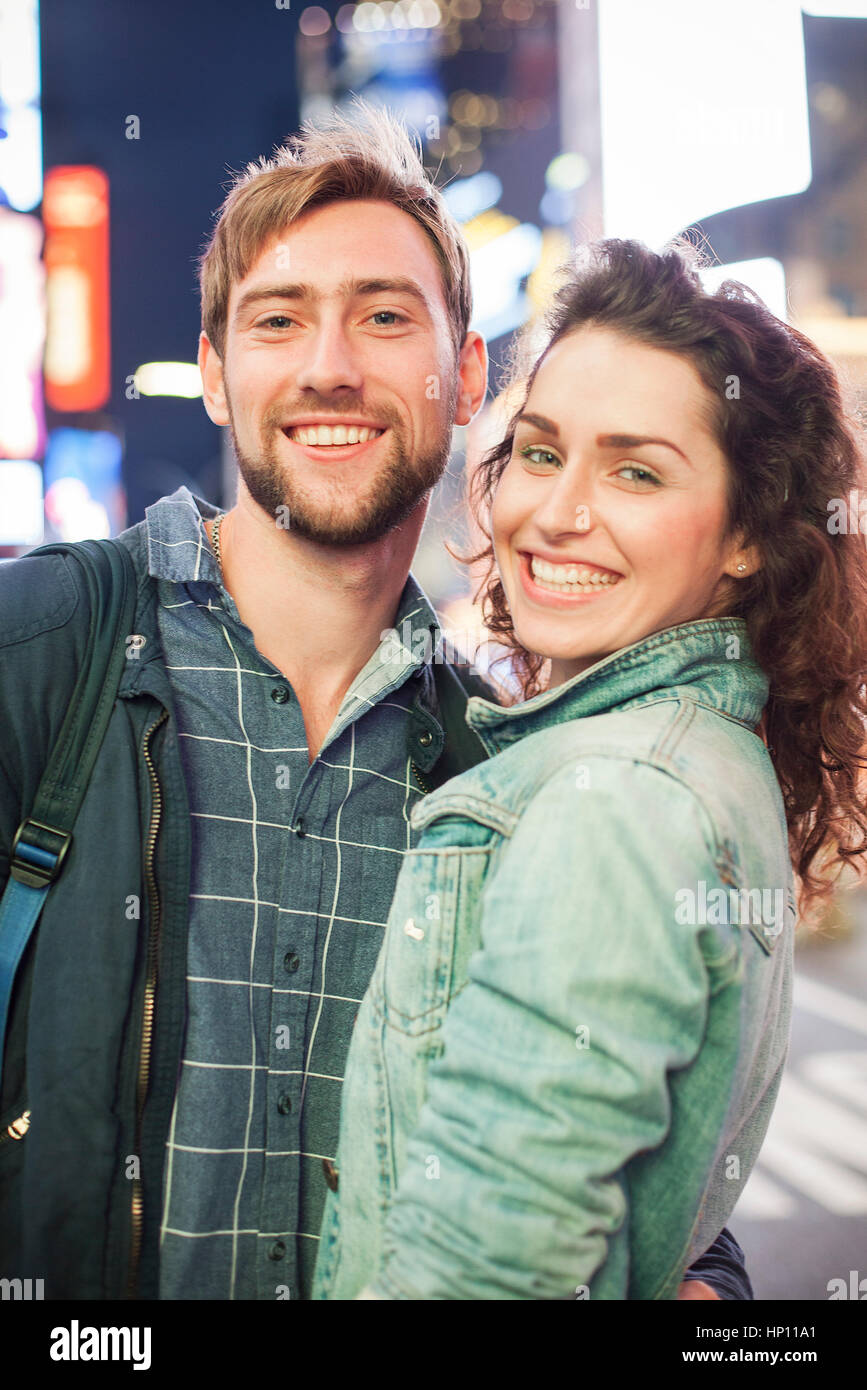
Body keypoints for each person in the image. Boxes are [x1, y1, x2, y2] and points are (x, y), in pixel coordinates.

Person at [0, 107, 743, 1299]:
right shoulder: (40, 654)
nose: (330, 364)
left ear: (466, 376)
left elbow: (637, 1172)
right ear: (214, 376)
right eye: (277, 319)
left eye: (386, 315)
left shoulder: (505, 776)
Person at [312, 237, 867, 1300]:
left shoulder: (620, 797)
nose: (557, 512)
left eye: (637, 470)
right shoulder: (695, 751)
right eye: (538, 451)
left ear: (748, 535)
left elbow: (483, 1270)